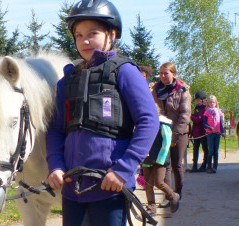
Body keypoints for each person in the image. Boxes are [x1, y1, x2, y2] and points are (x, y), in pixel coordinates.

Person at [46, 0, 159, 225]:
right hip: (72, 189)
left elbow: (149, 121)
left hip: (109, 187)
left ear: (112, 33)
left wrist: (123, 170)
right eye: (78, 35)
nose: (84, 40)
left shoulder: (125, 72)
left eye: (93, 33)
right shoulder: (66, 80)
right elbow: (56, 129)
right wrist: (56, 165)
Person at [151, 62, 191, 203]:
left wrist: (174, 137)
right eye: (160, 73)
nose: (162, 76)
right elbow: (153, 108)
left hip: (179, 133)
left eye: (165, 73)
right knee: (164, 163)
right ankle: (169, 196)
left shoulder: (183, 90)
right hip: (162, 131)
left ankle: (178, 193)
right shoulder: (156, 88)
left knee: (176, 164)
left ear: (173, 74)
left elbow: (185, 116)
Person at [142, 112, 180, 216]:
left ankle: (173, 196)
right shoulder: (143, 123)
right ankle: (151, 206)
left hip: (160, 158)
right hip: (147, 158)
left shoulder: (163, 123)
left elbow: (167, 142)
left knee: (159, 182)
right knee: (148, 184)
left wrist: (161, 158)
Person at [203, 95, 225, 174]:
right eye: (210, 102)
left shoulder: (219, 112)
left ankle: (215, 167)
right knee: (211, 150)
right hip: (210, 133)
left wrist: (222, 132)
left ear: (216, 103)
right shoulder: (206, 112)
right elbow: (204, 124)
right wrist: (210, 128)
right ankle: (209, 167)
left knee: (216, 151)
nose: (212, 103)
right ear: (208, 103)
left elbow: (221, 124)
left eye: (213, 102)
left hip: (217, 133)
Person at [190, 91, 209, 172]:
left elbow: (199, 120)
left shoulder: (204, 108)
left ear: (202, 99)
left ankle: (205, 165)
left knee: (205, 148)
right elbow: (196, 116)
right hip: (196, 131)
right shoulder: (197, 107)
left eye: (197, 99)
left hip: (202, 132)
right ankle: (194, 166)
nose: (196, 101)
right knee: (195, 149)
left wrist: (189, 115)